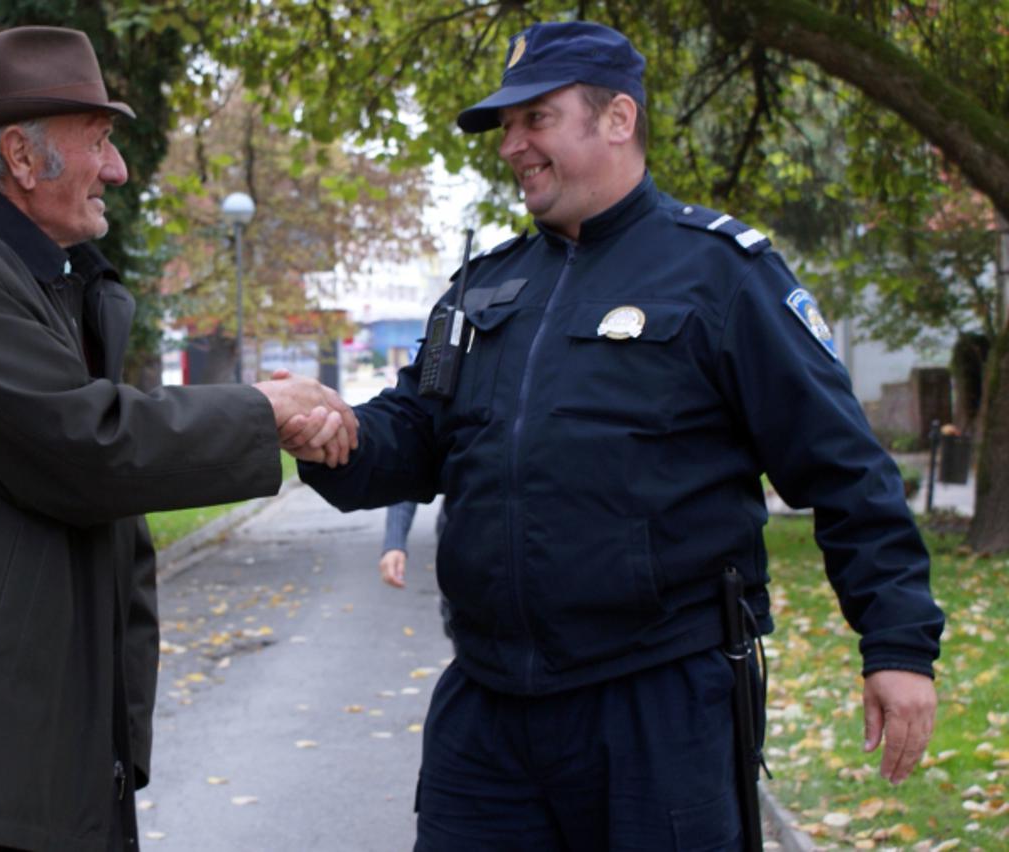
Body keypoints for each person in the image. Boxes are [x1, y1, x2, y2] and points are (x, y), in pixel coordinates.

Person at [296, 21, 943, 850]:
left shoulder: (719, 275)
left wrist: (897, 643)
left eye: (536, 119)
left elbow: (845, 469)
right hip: (487, 711)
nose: (513, 146)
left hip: (657, 705)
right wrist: (329, 436)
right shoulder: (484, 289)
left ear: (617, 119)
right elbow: (416, 435)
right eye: (508, 127)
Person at [0, 26, 353, 852]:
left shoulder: (41, 281)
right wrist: (261, 413)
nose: (119, 169)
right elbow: (84, 445)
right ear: (22, 158)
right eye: (98, 143)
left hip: (19, 767)